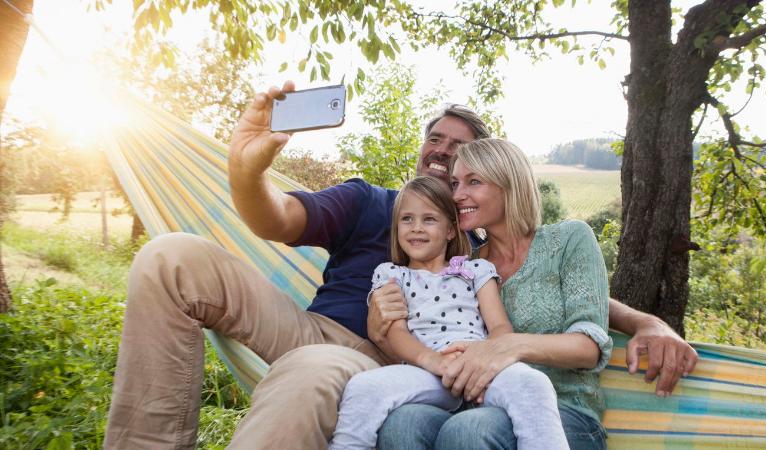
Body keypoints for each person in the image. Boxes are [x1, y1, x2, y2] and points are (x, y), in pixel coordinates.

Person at [104, 81, 697, 449]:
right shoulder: (371, 201)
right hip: (313, 328)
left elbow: (556, 284)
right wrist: (245, 172)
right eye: (434, 138)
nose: (441, 149)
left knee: (312, 370)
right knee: (169, 258)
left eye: (459, 150)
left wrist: (648, 322)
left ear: (479, 176)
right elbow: (276, 222)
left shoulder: (472, 241)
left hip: (377, 359)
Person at [371, 138, 612, 449]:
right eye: (455, 183)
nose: (457, 195)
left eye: (474, 182)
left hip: (563, 411)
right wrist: (379, 326)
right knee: (402, 424)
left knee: (469, 431)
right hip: (478, 403)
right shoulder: (465, 269)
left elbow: (589, 346)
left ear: (508, 183)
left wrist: (509, 346)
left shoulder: (568, 240)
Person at [330, 176, 572, 450]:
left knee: (533, 384)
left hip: (479, 366)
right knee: (363, 388)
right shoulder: (391, 275)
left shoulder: (475, 271)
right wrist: (433, 361)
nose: (416, 228)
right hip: (427, 372)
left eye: (429, 219)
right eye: (406, 219)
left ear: (450, 230)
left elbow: (500, 328)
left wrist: (482, 361)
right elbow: (395, 333)